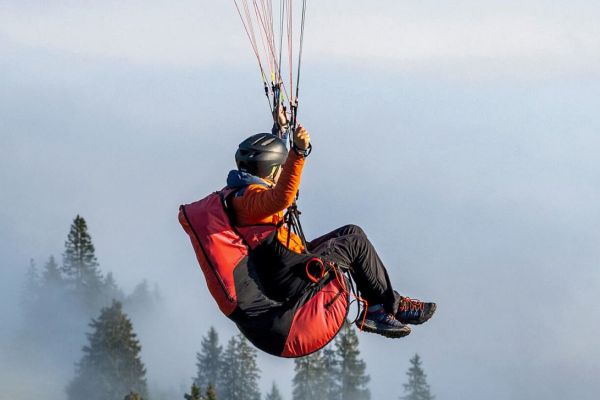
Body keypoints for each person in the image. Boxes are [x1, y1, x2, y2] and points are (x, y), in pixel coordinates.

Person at [226, 112, 436, 338]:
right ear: (268, 169)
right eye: (279, 167)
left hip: (288, 263)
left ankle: (378, 306)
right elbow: (282, 197)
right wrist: (298, 152)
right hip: (292, 278)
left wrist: (282, 131)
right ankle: (388, 308)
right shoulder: (250, 199)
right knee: (355, 244)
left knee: (352, 231)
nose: (281, 171)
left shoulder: (244, 192)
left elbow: (278, 181)